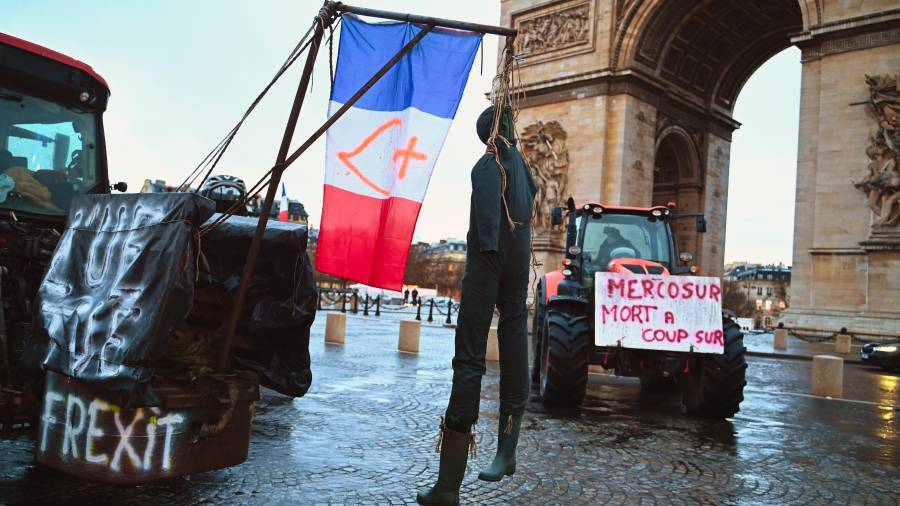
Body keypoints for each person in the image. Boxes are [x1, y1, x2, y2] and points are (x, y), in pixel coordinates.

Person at [417, 105, 537, 505]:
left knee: (468, 360)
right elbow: (531, 199)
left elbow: (487, 225)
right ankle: (507, 450)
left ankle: (448, 486)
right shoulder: (524, 170)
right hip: (520, 262)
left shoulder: (487, 166)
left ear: (487, 135)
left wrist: (486, 257)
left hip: (488, 263)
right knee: (515, 340)